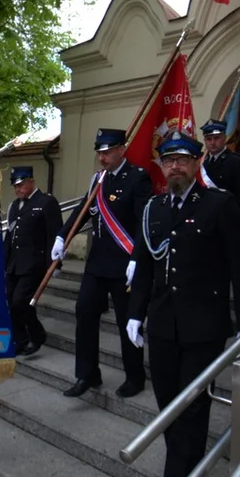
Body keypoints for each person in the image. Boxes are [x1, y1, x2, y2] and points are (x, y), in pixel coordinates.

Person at [126, 132, 240, 477]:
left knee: (192, 412)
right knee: (168, 411)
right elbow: (144, 267)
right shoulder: (153, 209)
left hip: (204, 329)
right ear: (162, 167)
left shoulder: (220, 205)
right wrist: (134, 314)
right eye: (168, 161)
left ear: (197, 162)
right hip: (162, 328)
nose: (175, 166)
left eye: (183, 159)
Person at [53, 128, 152, 398]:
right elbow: (82, 211)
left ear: (122, 149)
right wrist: (62, 236)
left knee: (125, 321)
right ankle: (87, 374)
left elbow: (144, 222)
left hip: (124, 265)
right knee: (84, 312)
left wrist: (137, 258)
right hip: (97, 264)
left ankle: (135, 376)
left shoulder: (138, 178)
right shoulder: (98, 180)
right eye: (99, 152)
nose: (102, 158)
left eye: (107, 152)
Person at [4, 166, 62, 356]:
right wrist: (4, 262)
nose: (18, 189)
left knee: (22, 301)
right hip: (14, 264)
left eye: (21, 185)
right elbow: (10, 236)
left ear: (31, 181)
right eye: (15, 186)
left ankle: (37, 334)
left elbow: (54, 234)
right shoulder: (15, 206)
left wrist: (55, 263)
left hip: (34, 263)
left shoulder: (46, 202)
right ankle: (20, 339)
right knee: (11, 302)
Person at [200, 118, 240, 220]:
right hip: (209, 218)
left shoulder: (237, 162)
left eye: (216, 138)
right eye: (208, 139)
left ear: (224, 138)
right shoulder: (204, 163)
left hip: (230, 217)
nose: (212, 142)